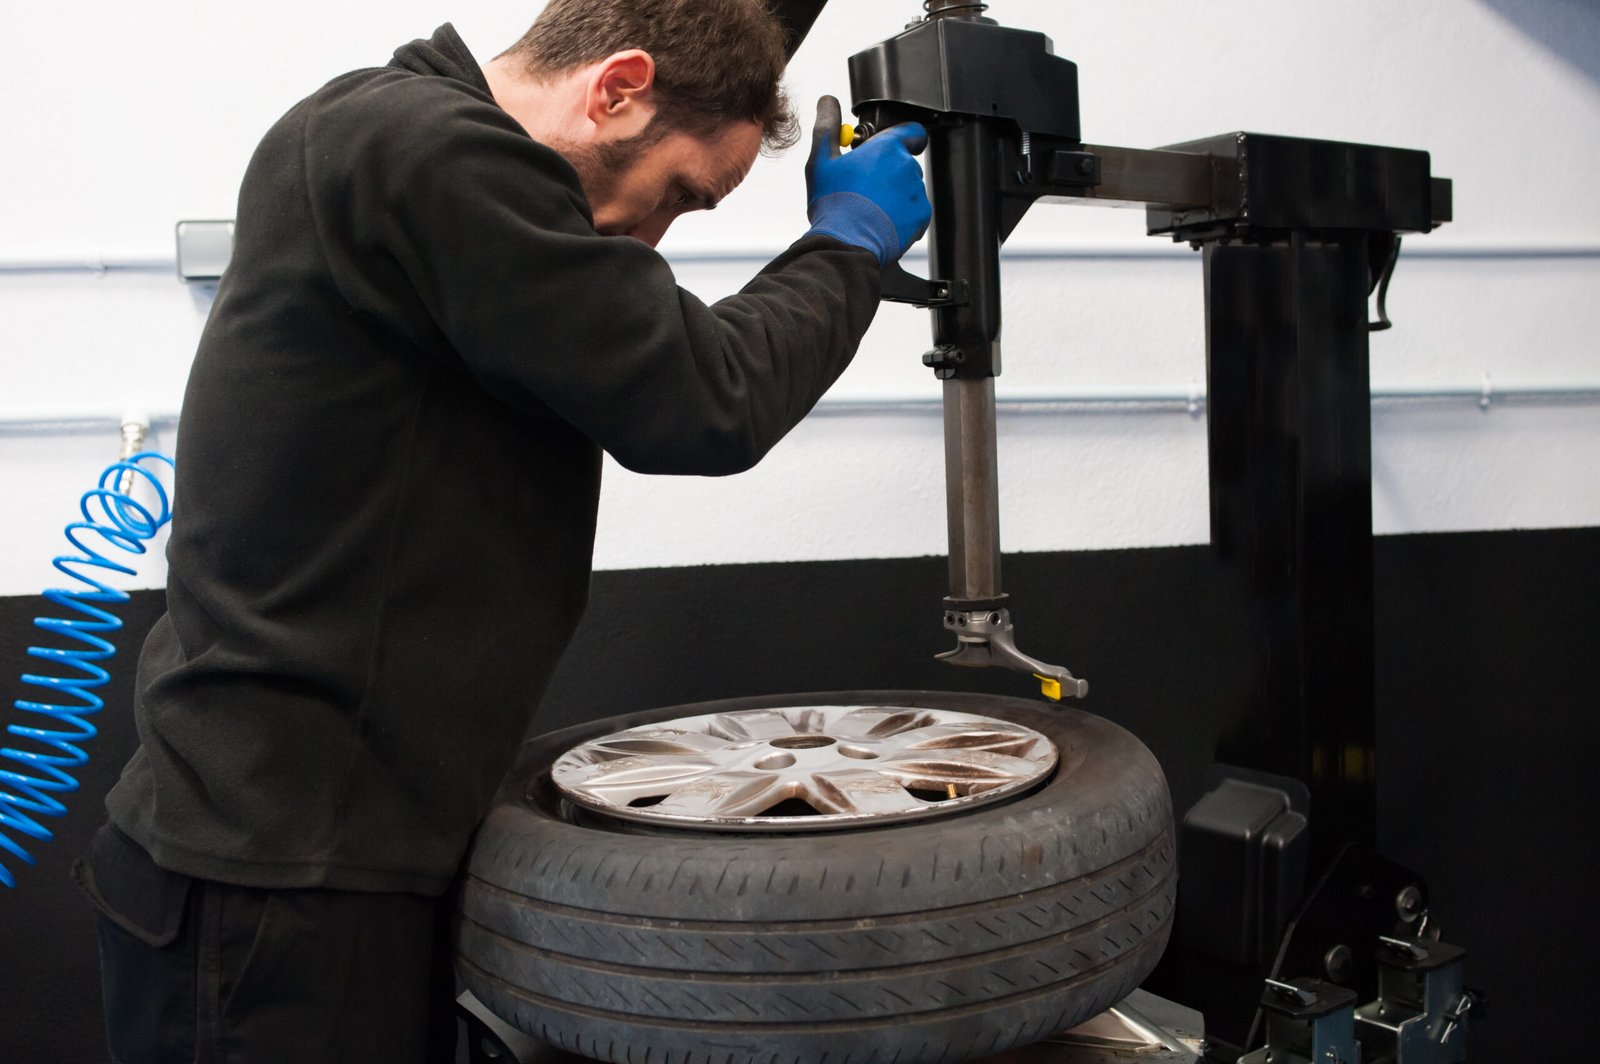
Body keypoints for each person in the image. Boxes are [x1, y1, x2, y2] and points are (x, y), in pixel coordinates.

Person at [72, 0, 930, 1060]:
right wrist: (847, 248)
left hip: (322, 864)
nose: (654, 240)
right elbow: (703, 399)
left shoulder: (408, 155)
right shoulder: (424, 149)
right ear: (616, 88)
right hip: (275, 885)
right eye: (677, 195)